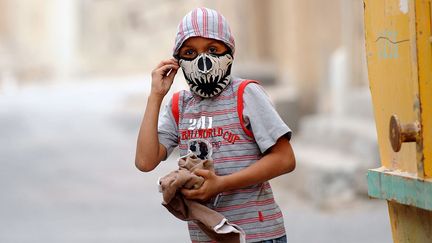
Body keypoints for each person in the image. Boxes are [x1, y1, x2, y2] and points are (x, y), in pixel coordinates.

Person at [135, 7, 296, 243]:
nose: (203, 61)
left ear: (229, 51)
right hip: (207, 236)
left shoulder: (246, 95)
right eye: (190, 52)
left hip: (256, 235)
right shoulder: (180, 105)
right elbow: (145, 161)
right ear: (178, 61)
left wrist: (221, 184)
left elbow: (285, 159)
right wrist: (155, 96)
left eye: (212, 49)